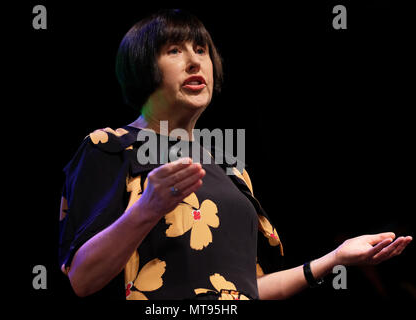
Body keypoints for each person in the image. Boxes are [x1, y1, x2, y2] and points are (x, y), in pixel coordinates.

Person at [58, 9, 412, 300]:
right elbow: (82, 279)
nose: (195, 62)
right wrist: (147, 208)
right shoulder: (109, 146)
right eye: (175, 50)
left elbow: (243, 289)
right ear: (140, 66)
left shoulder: (230, 168)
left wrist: (332, 259)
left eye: (201, 50)